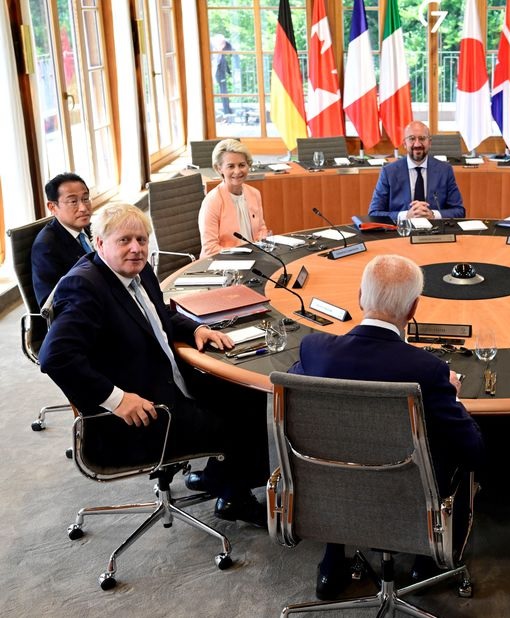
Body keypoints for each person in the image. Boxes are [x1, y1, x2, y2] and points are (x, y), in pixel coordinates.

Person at [39, 203, 269, 526]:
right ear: (100, 244)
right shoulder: (85, 287)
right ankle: (233, 498)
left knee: (251, 394)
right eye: (125, 241)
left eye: (142, 240)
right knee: (238, 421)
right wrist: (117, 399)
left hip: (167, 379)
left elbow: (159, 315)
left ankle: (221, 477)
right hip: (141, 411)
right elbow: (55, 357)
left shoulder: (138, 269)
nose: (136, 248)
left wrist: (196, 328)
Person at [289, 254, 484, 600]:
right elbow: (473, 449)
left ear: (361, 297)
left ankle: (333, 561)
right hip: (404, 495)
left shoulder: (315, 350)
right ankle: (425, 559)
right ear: (413, 310)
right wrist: (452, 398)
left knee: (339, 442)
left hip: (330, 489)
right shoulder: (428, 371)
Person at [367, 121, 465, 221]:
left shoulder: (445, 170)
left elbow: (459, 211)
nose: (417, 144)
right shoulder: (389, 172)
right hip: (402, 232)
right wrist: (405, 216)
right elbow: (373, 213)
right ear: (404, 143)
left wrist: (433, 215)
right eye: (412, 139)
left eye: (422, 138)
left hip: (435, 232)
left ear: (430, 143)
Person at [198, 138, 269, 258]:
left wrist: (262, 245)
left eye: (242, 165)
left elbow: (261, 230)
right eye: (231, 166)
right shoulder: (212, 201)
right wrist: (243, 256)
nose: (237, 171)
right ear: (219, 168)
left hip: (254, 259)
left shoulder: (254, 193)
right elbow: (210, 249)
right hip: (222, 263)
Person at [32, 173, 94, 307]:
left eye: (85, 199)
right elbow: (51, 302)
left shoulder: (91, 229)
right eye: (73, 202)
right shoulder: (46, 246)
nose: (83, 208)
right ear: (52, 207)